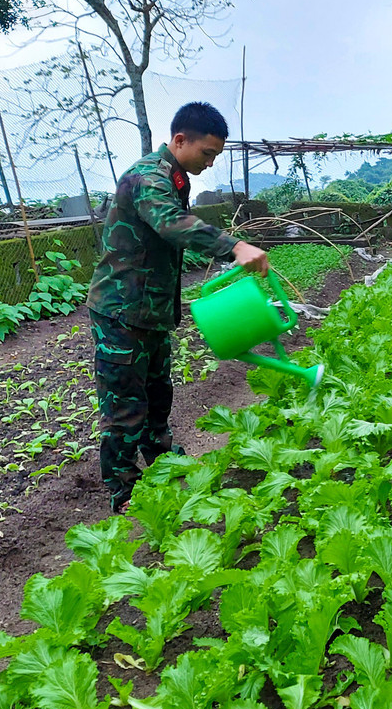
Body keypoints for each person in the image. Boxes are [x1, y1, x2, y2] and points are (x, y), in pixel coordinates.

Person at [87, 102, 270, 512]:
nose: (210, 162)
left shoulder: (175, 177)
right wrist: (234, 245)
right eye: (207, 153)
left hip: (149, 309)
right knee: (124, 407)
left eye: (216, 156)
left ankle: (162, 460)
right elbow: (171, 223)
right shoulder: (147, 178)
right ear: (180, 140)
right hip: (121, 310)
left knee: (157, 393)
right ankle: (125, 492)